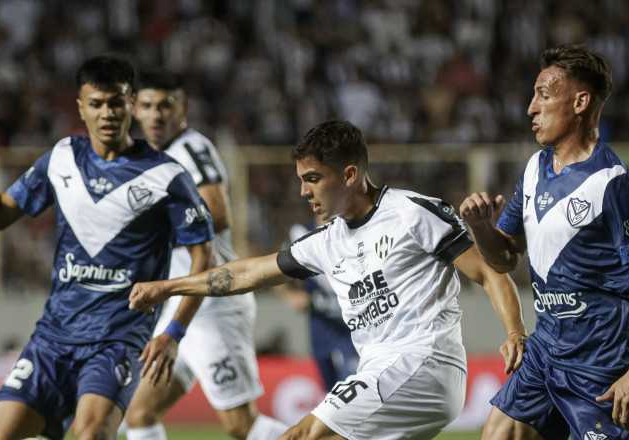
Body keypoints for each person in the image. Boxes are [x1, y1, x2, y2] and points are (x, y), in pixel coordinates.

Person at [130, 120, 528, 440]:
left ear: (351, 174)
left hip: (423, 362)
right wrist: (169, 286)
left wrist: (514, 331)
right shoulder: (327, 240)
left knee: (303, 436)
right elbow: (247, 272)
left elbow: (489, 271)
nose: (303, 191)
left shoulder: (411, 213)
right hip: (380, 369)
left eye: (314, 178)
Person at [0, 54, 216, 440]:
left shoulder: (166, 176)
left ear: (131, 104)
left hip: (116, 341)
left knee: (90, 435)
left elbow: (202, 254)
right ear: (81, 107)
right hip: (53, 339)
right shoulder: (62, 158)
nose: (107, 113)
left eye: (116, 102)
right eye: (96, 104)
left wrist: (173, 331)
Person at [458, 45, 629, 440]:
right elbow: (506, 258)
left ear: (580, 101)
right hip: (545, 352)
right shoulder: (534, 169)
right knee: (497, 434)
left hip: (600, 364)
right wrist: (480, 228)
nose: (530, 108)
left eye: (543, 94)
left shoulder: (614, 182)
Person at [123, 68, 289, 440]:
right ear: (135, 109)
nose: (156, 115)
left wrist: (150, 231)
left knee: (241, 426)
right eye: (147, 105)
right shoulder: (154, 155)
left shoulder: (191, 149)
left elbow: (216, 212)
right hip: (182, 303)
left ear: (182, 106)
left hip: (213, 305)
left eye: (166, 105)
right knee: (139, 413)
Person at [277, 219, 359, 391]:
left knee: (348, 393)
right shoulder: (301, 235)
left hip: (350, 333)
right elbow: (278, 272)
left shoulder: (351, 231)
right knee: (329, 391)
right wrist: (291, 295)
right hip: (320, 331)